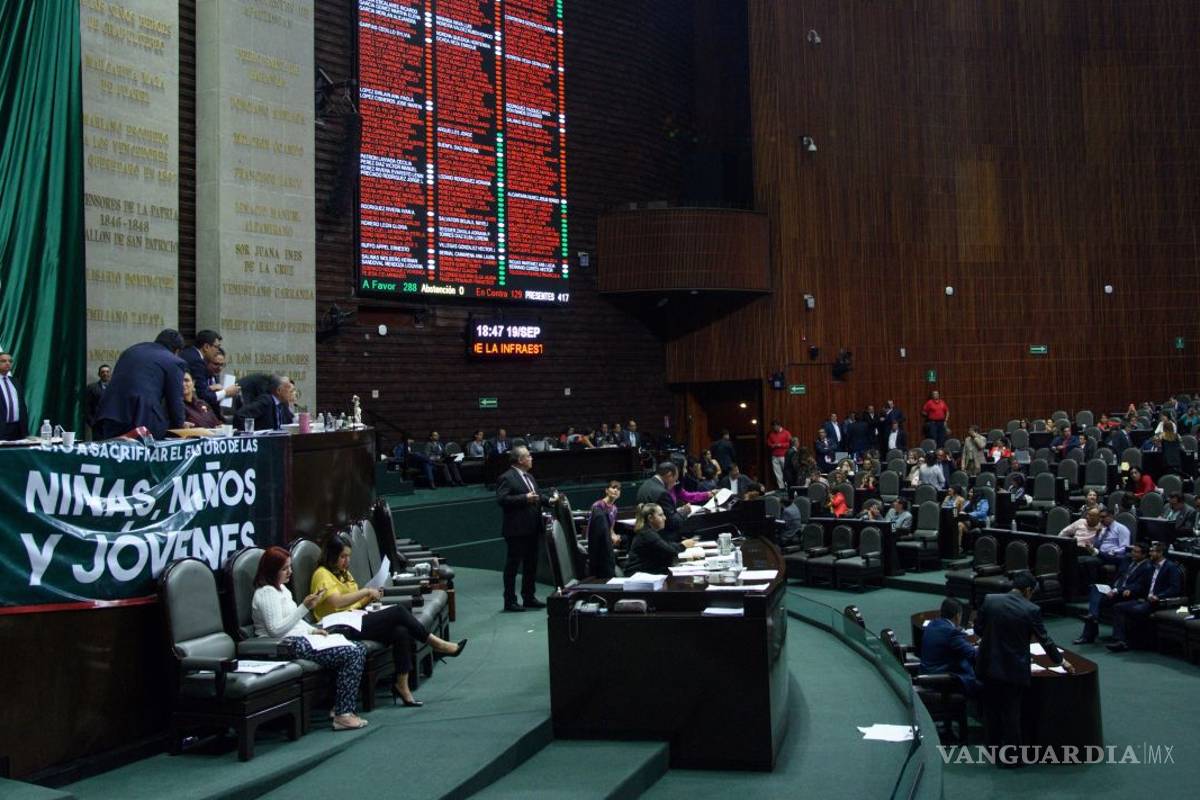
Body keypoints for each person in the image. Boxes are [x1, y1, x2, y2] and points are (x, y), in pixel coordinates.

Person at [310, 535, 466, 705]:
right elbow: (336, 602)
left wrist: (371, 596)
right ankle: (438, 644)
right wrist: (366, 592)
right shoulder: (321, 574)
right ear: (331, 555)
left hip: (353, 618)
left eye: (348, 556)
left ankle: (402, 685)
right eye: (342, 557)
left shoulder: (343, 574)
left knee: (401, 631)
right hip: (336, 625)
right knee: (398, 611)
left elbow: (352, 603)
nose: (347, 561)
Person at [251, 546, 369, 730]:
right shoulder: (266, 593)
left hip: (301, 639)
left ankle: (340, 707)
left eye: (290, 567)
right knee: (351, 654)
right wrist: (304, 607)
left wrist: (313, 630)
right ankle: (343, 715)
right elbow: (276, 630)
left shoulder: (282, 589)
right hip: (284, 646)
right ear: (271, 570)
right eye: (284, 569)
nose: (290, 572)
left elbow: (294, 621)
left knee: (358, 648)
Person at [976, 572, 1071, 761]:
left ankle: (992, 751)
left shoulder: (990, 600)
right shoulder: (1031, 609)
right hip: (1013, 669)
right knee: (1011, 713)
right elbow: (1045, 640)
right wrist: (1061, 661)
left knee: (991, 709)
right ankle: (1012, 759)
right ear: (1028, 590)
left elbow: (979, 629)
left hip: (987, 665)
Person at [94, 329, 187, 440]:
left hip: (110, 413)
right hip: (141, 419)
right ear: (176, 351)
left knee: (114, 454)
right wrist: (180, 429)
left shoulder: (131, 350)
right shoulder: (174, 361)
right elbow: (175, 401)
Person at [496, 446, 556, 611]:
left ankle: (529, 597)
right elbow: (502, 499)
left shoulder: (529, 477)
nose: (531, 458)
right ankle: (510, 601)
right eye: (529, 456)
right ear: (520, 460)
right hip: (516, 530)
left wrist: (550, 501)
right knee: (513, 566)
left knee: (531, 565)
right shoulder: (507, 477)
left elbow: (536, 495)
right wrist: (524, 498)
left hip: (533, 528)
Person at [1107, 542, 1184, 652]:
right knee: (1118, 607)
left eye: (1152, 551)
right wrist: (1130, 589)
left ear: (1160, 553)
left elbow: (1174, 589)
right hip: (1145, 600)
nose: (1150, 553)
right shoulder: (1150, 567)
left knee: (1137, 610)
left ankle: (1134, 642)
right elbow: (1141, 584)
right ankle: (1119, 640)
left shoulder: (1171, 567)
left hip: (1159, 602)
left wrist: (1159, 596)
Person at [1074, 542, 1151, 644]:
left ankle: (1089, 633)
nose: (1133, 554)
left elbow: (1139, 585)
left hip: (1126, 594)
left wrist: (1118, 590)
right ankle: (1091, 622)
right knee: (1095, 589)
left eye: (1136, 552)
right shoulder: (1127, 559)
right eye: (1133, 551)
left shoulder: (1147, 567)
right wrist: (1094, 550)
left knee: (1096, 604)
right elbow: (1109, 558)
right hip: (1112, 590)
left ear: (1144, 555)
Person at [920, 598, 980, 695]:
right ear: (957, 616)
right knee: (983, 683)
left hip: (925, 673)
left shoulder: (932, 624)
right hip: (941, 680)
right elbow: (973, 655)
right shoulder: (952, 633)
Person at [623, 503, 697, 574]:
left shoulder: (648, 531)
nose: (664, 518)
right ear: (650, 518)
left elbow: (665, 545)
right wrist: (683, 545)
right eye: (660, 515)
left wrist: (680, 545)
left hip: (647, 573)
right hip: (638, 577)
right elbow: (669, 550)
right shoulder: (647, 533)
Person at [636, 462, 692, 541]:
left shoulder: (645, 485)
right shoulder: (662, 493)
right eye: (675, 480)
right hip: (662, 538)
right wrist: (684, 511)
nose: (674, 484)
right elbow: (672, 523)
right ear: (669, 475)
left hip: (647, 535)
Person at [587, 480, 622, 579]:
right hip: (597, 543)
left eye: (618, 489)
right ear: (606, 490)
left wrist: (615, 536)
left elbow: (610, 529)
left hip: (607, 542)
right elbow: (593, 528)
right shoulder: (597, 506)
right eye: (613, 487)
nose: (616, 490)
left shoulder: (614, 508)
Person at [181, 329, 223, 408]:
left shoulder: (189, 353)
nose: (218, 351)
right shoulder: (197, 361)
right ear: (206, 347)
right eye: (216, 347)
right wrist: (226, 392)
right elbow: (203, 395)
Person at [0, 350, 29, 441]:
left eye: (10, 361)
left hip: (18, 430)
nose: (8, 363)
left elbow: (22, 406)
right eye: (3, 361)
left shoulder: (15, 382)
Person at [84, 364, 111, 435]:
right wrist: (91, 422)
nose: (105, 374)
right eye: (103, 372)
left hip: (112, 425)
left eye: (107, 372)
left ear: (110, 374)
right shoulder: (91, 388)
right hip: (97, 425)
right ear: (99, 374)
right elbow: (86, 407)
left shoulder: (115, 388)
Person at [766, 420, 791, 490]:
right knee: (778, 474)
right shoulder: (771, 434)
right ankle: (781, 488)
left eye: (775, 427)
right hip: (774, 456)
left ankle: (788, 487)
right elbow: (768, 444)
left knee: (786, 472)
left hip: (783, 456)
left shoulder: (786, 433)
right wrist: (773, 445)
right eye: (773, 427)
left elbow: (789, 443)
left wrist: (781, 445)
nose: (774, 428)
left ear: (779, 425)